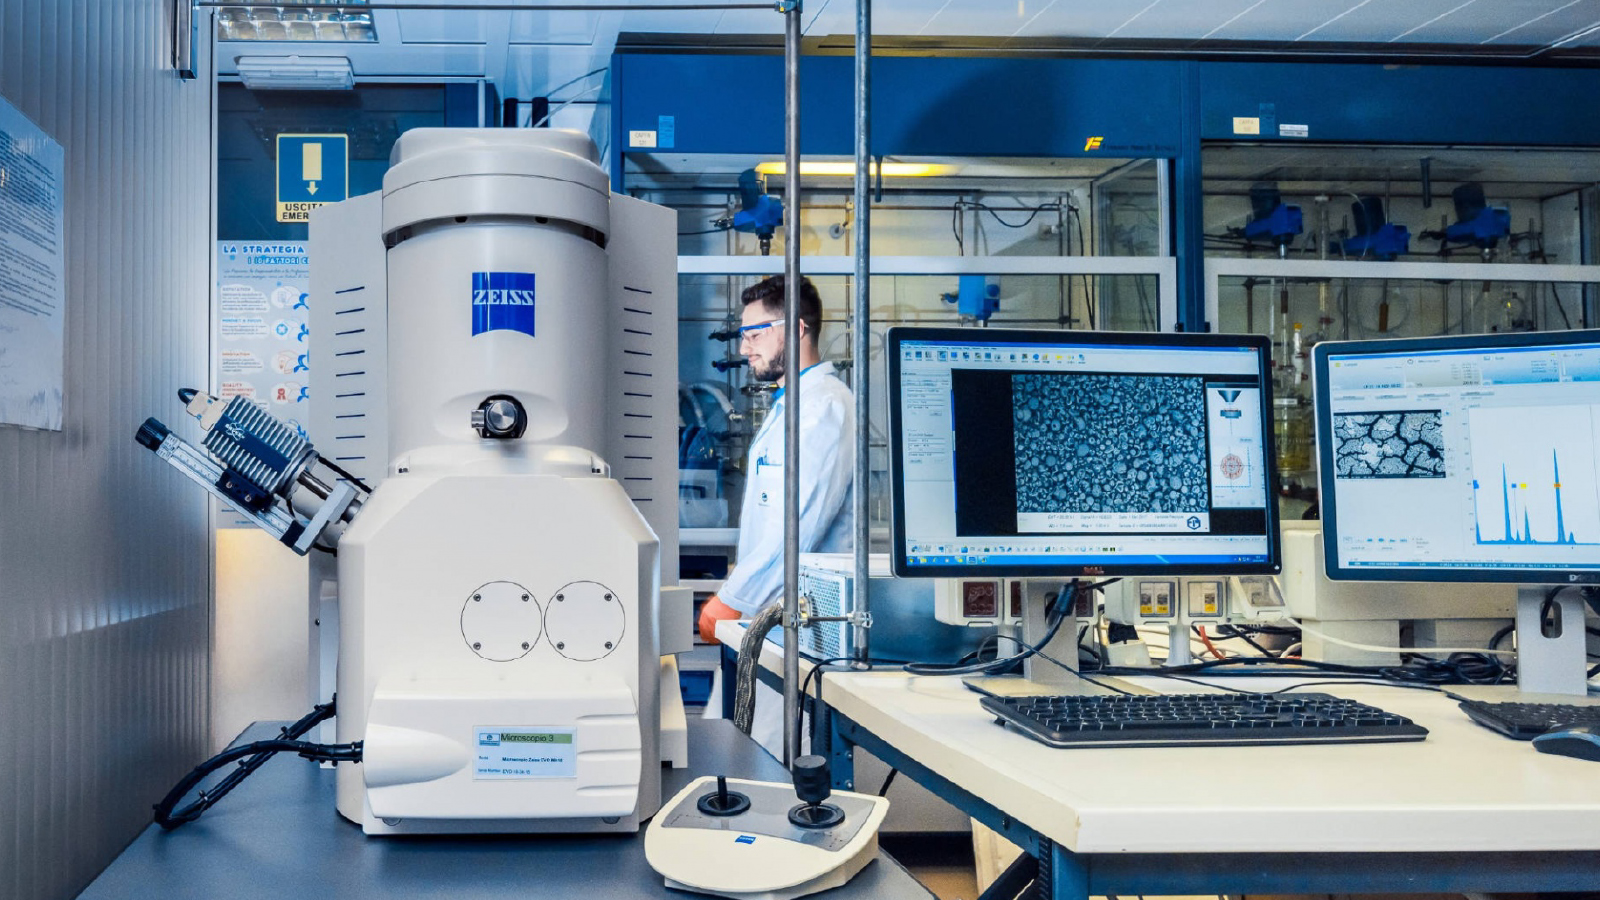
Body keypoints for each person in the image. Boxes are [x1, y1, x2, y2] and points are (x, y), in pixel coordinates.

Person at [697, 275, 854, 643]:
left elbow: (797, 526)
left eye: (754, 334)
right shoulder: (793, 405)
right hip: (778, 616)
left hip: (807, 626)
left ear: (797, 329)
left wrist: (734, 599)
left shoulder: (823, 409)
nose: (744, 347)